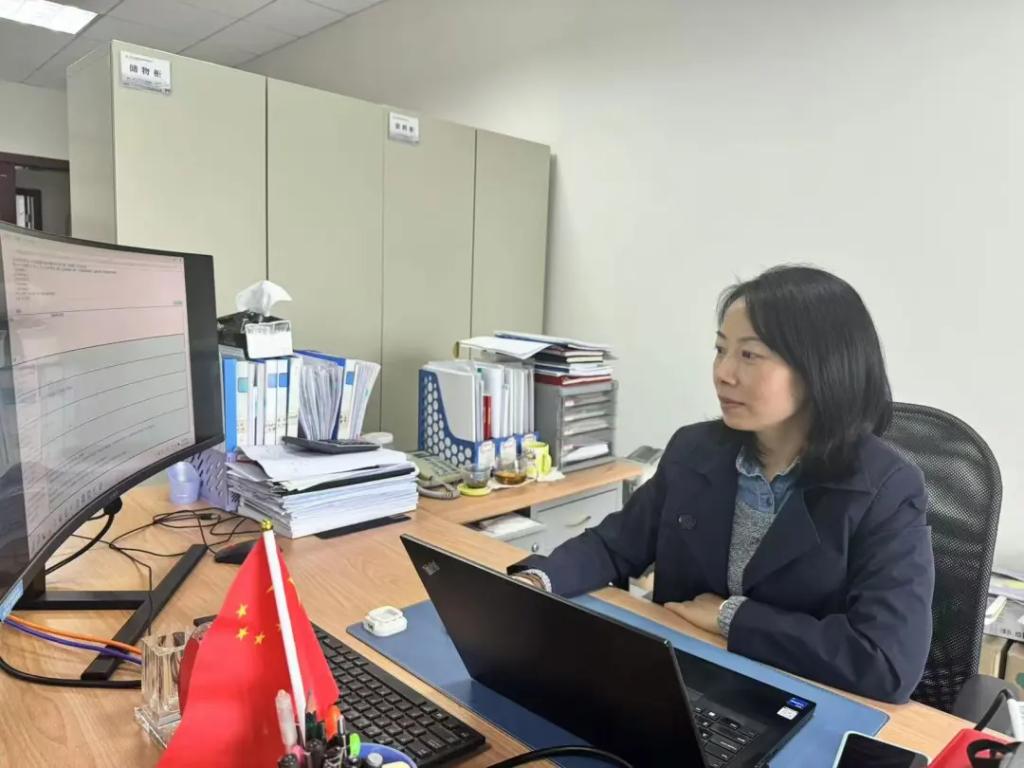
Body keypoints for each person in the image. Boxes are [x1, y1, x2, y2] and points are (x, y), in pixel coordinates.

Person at [510, 266, 935, 704]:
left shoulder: (886, 488)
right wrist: (537, 582)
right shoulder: (695, 450)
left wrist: (732, 617)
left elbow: (888, 662)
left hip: (799, 702)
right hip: (677, 682)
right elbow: (613, 546)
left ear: (819, 369)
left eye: (749, 355)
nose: (723, 373)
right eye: (720, 350)